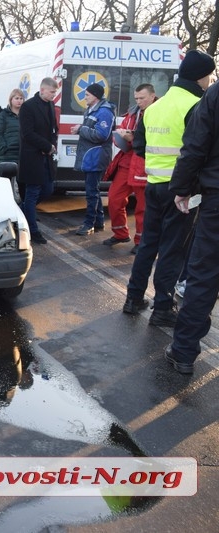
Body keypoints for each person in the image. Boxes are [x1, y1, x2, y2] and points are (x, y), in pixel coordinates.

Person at [122, 49, 216, 329]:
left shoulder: (155, 106)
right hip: (182, 190)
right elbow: (199, 150)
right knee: (173, 250)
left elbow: (138, 145)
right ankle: (162, 307)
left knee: (148, 243)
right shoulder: (196, 104)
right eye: (209, 76)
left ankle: (133, 298)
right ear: (201, 77)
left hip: (153, 185)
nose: (210, 81)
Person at [165, 69, 219, 374]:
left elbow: (196, 145)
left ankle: (183, 352)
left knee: (203, 278)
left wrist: (183, 189)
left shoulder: (215, 94)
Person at [102, 84, 157, 254]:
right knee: (114, 198)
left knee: (143, 206)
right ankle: (120, 233)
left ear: (153, 96)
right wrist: (122, 136)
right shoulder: (133, 112)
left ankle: (141, 241)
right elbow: (124, 131)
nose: (139, 101)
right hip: (127, 161)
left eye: (142, 98)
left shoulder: (158, 112)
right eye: (137, 98)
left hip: (144, 163)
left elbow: (154, 139)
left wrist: (132, 138)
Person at [18, 77, 59, 244]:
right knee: (33, 192)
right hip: (32, 156)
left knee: (48, 189)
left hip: (47, 156)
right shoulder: (28, 107)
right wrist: (47, 146)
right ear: (42, 90)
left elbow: (52, 129)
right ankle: (33, 230)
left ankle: (22, 212)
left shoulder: (50, 105)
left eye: (55, 93)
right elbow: (27, 133)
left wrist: (53, 144)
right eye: (51, 92)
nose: (53, 95)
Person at [72, 82, 115, 236]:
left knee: (91, 192)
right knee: (93, 190)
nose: (85, 98)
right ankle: (98, 222)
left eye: (87, 95)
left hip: (96, 156)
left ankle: (89, 224)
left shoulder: (104, 112)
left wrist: (80, 129)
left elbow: (101, 135)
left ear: (95, 96)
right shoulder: (92, 110)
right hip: (91, 156)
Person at [0, 88, 24, 202]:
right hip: (6, 155)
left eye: (21, 98)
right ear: (11, 100)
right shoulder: (3, 115)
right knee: (5, 186)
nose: (19, 101)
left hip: (21, 155)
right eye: (16, 98)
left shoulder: (25, 115)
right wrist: (4, 147)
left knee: (19, 187)